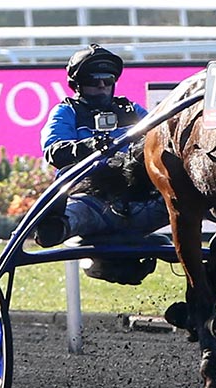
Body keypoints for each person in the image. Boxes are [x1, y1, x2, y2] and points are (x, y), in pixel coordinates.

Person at [34, 44, 167, 255]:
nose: (102, 85)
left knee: (187, 198)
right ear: (77, 85)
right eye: (92, 81)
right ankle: (55, 227)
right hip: (91, 201)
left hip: (141, 200)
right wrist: (93, 146)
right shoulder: (66, 112)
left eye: (108, 80)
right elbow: (54, 151)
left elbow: (162, 135)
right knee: (68, 221)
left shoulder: (131, 110)